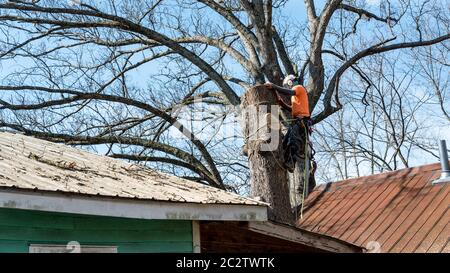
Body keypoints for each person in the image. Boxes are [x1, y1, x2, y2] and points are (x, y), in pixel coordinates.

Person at [264, 75, 316, 194]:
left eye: (288, 84)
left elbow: (290, 92)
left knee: (293, 141)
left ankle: (291, 163)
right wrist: (281, 103)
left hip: (302, 121)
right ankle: (287, 160)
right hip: (298, 121)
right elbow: (292, 108)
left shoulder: (299, 88)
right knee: (286, 141)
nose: (288, 86)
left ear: (291, 82)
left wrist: (274, 87)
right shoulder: (296, 97)